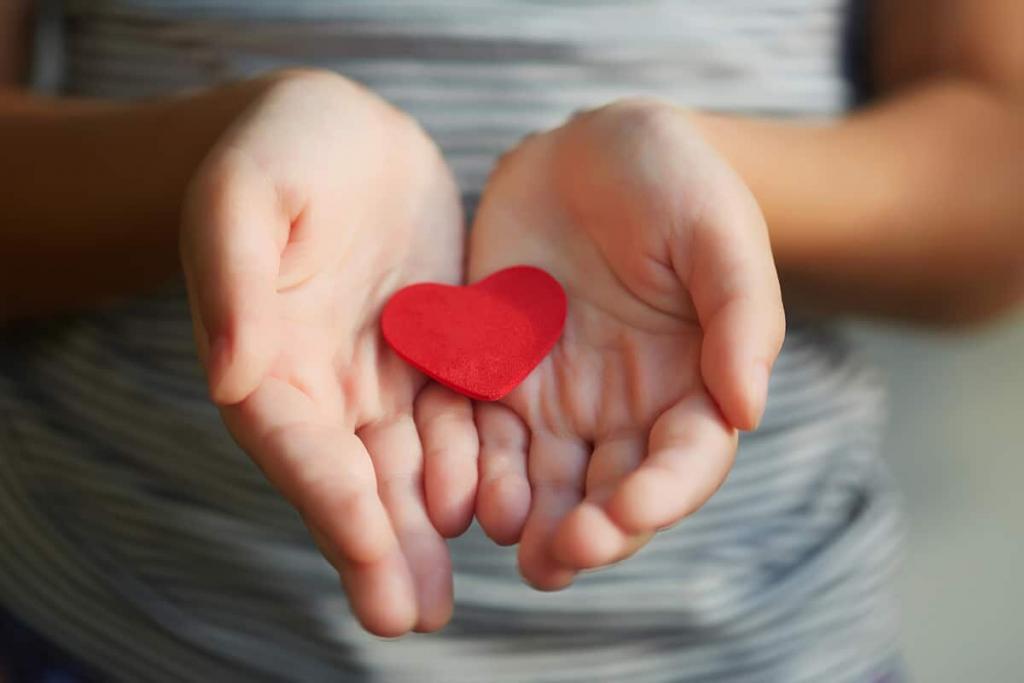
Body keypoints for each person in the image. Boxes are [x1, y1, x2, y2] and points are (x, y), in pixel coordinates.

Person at [1, 0, 1021, 681]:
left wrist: (715, 187)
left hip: (765, 634)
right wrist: (220, 172)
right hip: (122, 616)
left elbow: (1001, 175)